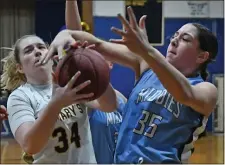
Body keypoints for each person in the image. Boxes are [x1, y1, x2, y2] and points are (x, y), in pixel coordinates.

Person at [41, 6, 218, 164]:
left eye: (185, 39)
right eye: (175, 35)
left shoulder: (206, 90)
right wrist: (66, 35)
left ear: (202, 56)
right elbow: (98, 44)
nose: (174, 41)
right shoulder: (146, 66)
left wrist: (147, 50)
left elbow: (183, 94)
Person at [1, 34, 118, 163]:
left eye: (41, 47)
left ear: (51, 55)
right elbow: (30, 145)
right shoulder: (20, 97)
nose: (37, 52)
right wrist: (55, 105)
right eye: (29, 50)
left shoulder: (70, 83)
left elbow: (110, 105)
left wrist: (97, 68)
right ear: (20, 68)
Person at [65, 1, 127, 163]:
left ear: (111, 63)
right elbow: (74, 35)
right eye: (90, 55)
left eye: (99, 55)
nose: (94, 59)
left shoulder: (122, 99)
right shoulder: (86, 97)